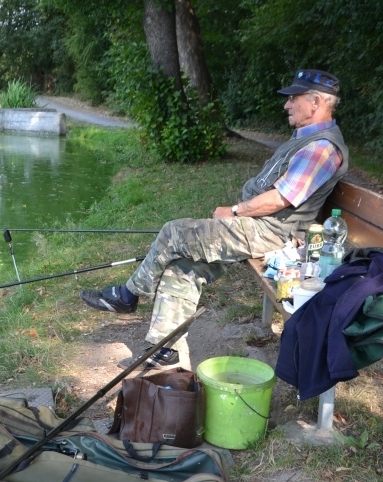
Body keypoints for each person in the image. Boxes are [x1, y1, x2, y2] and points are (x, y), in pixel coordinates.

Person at [79, 69, 349, 370]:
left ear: (315, 102)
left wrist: (234, 211)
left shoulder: (321, 148)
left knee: (173, 233)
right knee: (182, 267)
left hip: (272, 233)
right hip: (262, 227)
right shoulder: (306, 140)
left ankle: (127, 295)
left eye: (293, 99)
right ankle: (163, 350)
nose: (286, 105)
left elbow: (281, 199)